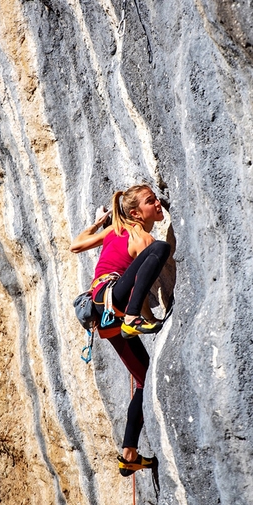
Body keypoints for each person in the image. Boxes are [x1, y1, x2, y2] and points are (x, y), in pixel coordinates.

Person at [70, 184, 171, 476]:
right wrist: (146, 317)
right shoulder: (142, 237)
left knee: (143, 378)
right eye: (151, 202)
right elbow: (138, 282)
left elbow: (76, 245)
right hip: (112, 301)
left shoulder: (113, 229)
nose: (158, 205)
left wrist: (99, 222)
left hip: (104, 314)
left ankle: (129, 455)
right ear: (136, 213)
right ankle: (130, 320)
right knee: (160, 248)